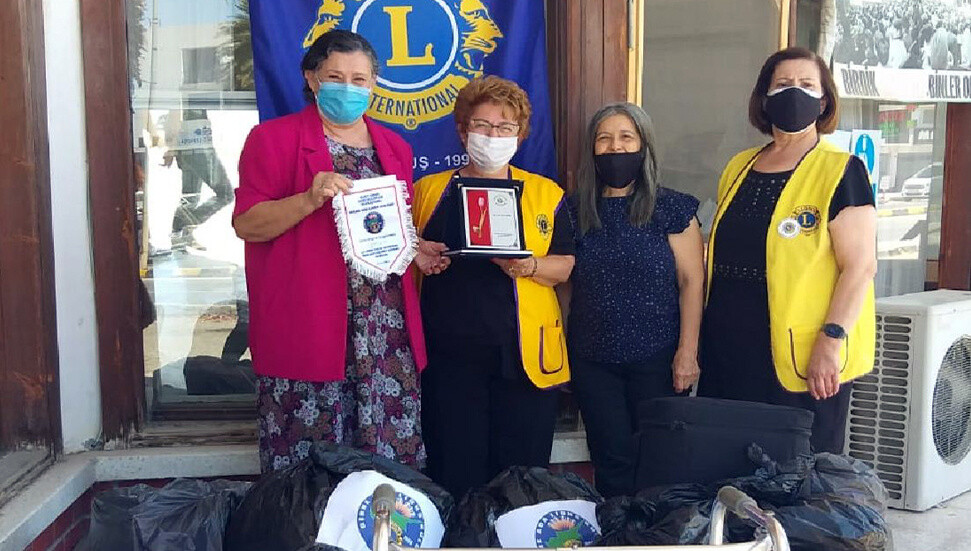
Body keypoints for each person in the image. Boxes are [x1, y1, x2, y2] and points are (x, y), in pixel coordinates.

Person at [233, 30, 437, 472]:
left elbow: (385, 227)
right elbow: (247, 223)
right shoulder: (272, 140)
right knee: (309, 471)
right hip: (310, 326)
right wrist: (308, 199)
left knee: (386, 471)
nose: (349, 88)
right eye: (335, 76)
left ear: (374, 84)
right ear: (312, 78)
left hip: (384, 335)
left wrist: (415, 249)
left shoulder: (395, 147)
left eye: (360, 79)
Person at [698, 47, 877, 454]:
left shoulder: (841, 169)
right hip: (730, 348)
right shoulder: (739, 166)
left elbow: (860, 267)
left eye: (806, 84)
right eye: (782, 84)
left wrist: (831, 341)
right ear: (764, 98)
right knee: (728, 463)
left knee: (797, 469)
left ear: (824, 100)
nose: (794, 92)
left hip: (803, 354)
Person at [412, 76, 575, 498]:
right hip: (449, 360)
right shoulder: (427, 191)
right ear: (462, 130)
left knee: (521, 479)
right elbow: (404, 261)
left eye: (505, 127)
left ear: (520, 135)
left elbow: (566, 265)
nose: (493, 135)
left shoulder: (546, 194)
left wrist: (529, 266)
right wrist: (420, 254)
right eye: (482, 125)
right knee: (456, 472)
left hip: (524, 360)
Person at [566, 103, 704, 497]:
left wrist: (688, 353)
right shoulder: (574, 210)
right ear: (592, 149)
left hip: (658, 359)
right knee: (610, 460)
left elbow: (692, 282)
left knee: (659, 460)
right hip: (594, 361)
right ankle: (617, 526)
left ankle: (656, 528)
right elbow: (565, 284)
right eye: (604, 139)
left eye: (626, 138)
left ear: (644, 146)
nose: (615, 147)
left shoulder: (672, 208)